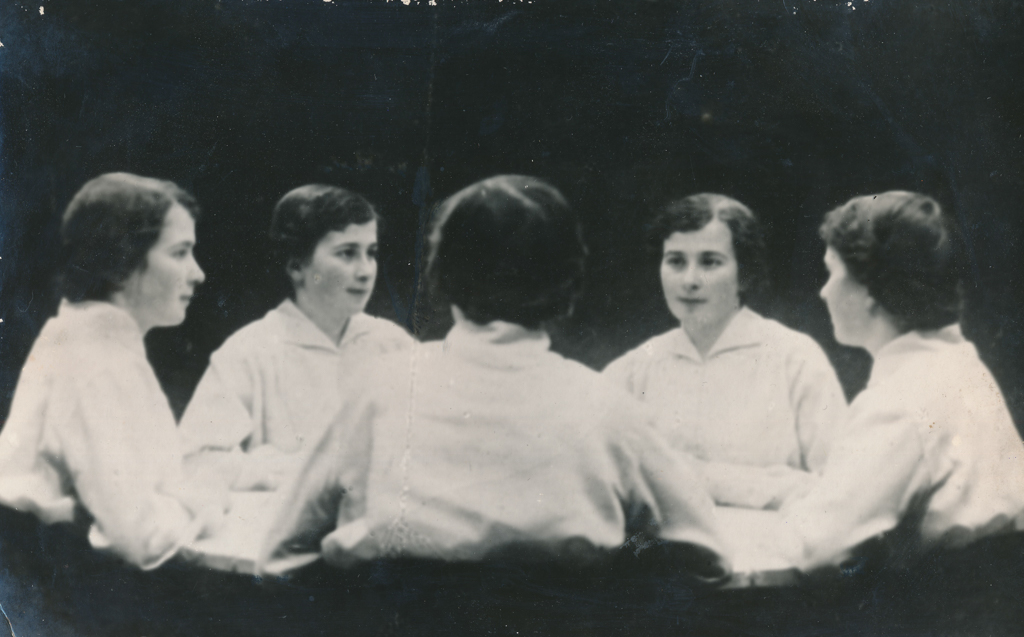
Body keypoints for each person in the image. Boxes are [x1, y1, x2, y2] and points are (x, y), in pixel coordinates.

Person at [258, 175, 729, 577]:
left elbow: (281, 556)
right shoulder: (610, 411)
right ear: (567, 283)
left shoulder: (374, 391)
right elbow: (706, 559)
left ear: (443, 275)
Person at [780, 191, 1024, 570]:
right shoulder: (962, 364)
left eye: (832, 273)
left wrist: (793, 504)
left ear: (870, 290)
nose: (823, 291)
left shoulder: (899, 401)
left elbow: (814, 548)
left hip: (940, 604)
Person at [0, 172, 223, 570]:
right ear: (121, 263)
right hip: (50, 580)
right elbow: (141, 536)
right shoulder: (95, 361)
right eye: (179, 253)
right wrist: (206, 504)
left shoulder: (93, 341)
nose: (198, 273)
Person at [603, 194, 847, 509]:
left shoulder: (795, 360)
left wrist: (704, 478)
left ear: (744, 273)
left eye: (710, 262)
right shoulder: (634, 369)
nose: (689, 280)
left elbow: (840, 488)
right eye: (676, 261)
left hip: (771, 539)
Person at [179, 185, 413, 491]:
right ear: (296, 266)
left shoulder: (392, 344)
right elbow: (194, 461)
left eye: (371, 253)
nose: (365, 271)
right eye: (347, 253)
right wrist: (293, 471)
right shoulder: (251, 351)